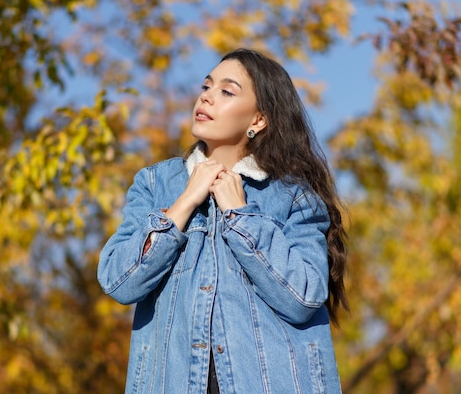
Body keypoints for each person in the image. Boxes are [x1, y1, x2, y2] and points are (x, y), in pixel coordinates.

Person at [98, 48, 348, 394]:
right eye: (206, 87)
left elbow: (304, 297)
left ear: (258, 120)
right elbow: (118, 280)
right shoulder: (157, 184)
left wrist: (241, 218)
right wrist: (184, 203)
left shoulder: (293, 196)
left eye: (226, 91)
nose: (207, 97)